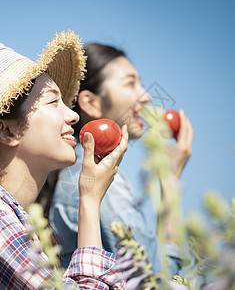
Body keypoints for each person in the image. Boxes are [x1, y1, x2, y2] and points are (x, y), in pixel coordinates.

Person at [49, 44, 194, 275]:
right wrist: (170, 182)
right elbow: (156, 278)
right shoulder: (101, 185)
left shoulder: (70, 172)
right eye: (130, 83)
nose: (146, 96)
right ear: (91, 103)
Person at [0, 33, 127, 289]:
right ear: (7, 131)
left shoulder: (22, 224)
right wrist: (89, 202)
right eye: (53, 102)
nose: (73, 116)